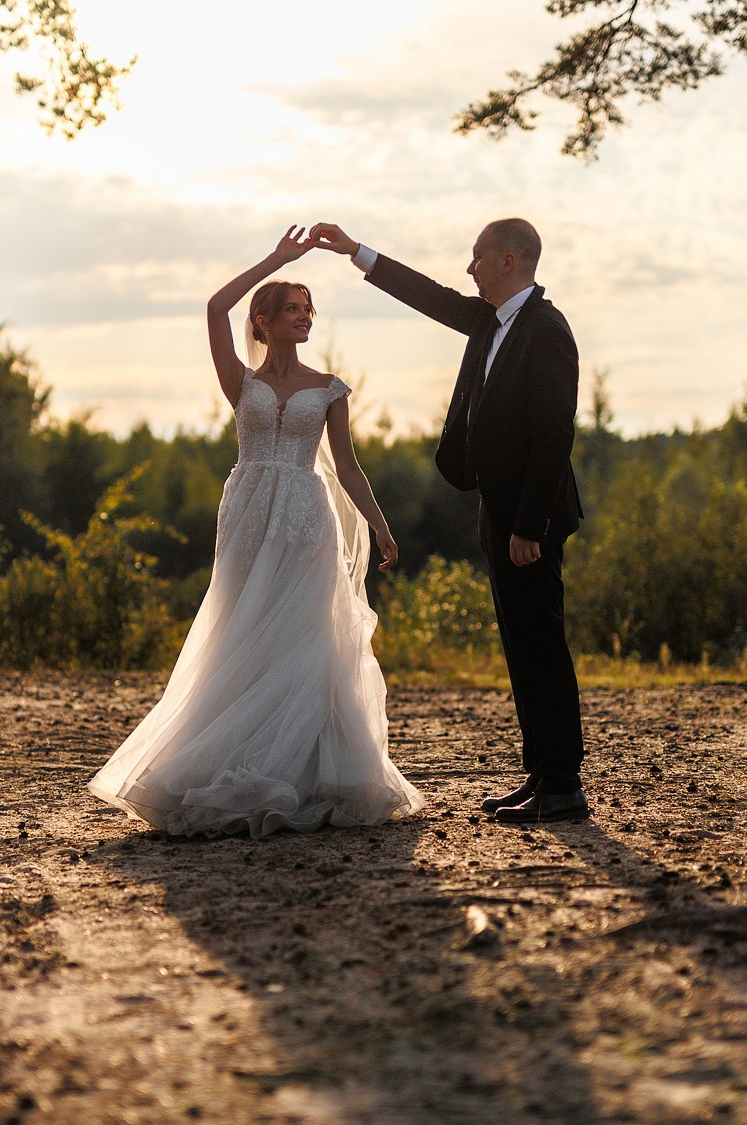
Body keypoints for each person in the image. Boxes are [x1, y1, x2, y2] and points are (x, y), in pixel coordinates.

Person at [88, 226, 424, 838]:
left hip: (305, 515)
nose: (304, 318)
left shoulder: (329, 389)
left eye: (308, 310)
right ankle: (224, 757)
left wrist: (380, 528)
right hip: (246, 511)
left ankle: (310, 772)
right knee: (240, 628)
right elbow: (215, 308)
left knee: (304, 634)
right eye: (292, 309)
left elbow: (347, 466)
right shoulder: (241, 381)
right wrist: (278, 258)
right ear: (262, 321)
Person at [309, 218, 587, 825]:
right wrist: (358, 251)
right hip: (498, 507)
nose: (470, 268)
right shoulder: (491, 321)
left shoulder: (546, 330)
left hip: (528, 520)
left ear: (508, 261)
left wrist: (529, 527)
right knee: (519, 645)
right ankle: (540, 774)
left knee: (542, 643)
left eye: (478, 257)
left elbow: (552, 436)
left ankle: (564, 784)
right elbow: (431, 297)